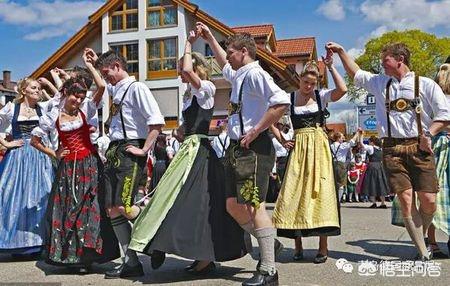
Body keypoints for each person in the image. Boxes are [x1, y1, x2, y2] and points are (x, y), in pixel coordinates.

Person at [129, 31, 247, 274]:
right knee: (180, 201)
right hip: (189, 150)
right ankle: (185, 250)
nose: (180, 73)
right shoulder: (189, 96)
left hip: (200, 153)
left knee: (197, 203)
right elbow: (189, 124)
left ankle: (203, 255)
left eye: (183, 68)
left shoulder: (206, 88)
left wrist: (187, 44)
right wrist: (180, 132)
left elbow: (189, 73)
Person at [328, 41, 450, 260]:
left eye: (386, 60)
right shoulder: (380, 83)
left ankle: (420, 236)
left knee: (429, 201)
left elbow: (444, 114)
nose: (382, 65)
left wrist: (428, 135)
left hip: (419, 147)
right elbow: (356, 73)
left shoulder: (425, 84)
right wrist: (341, 52)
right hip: (392, 148)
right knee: (405, 199)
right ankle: (423, 251)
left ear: (399, 60)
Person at [197, 22, 290, 286]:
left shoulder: (256, 74)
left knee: (253, 204)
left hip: (255, 147)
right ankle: (270, 242)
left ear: (244, 51)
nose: (227, 55)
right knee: (233, 205)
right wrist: (209, 38)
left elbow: (281, 101)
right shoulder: (239, 75)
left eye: (231, 51)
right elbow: (222, 61)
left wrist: (257, 130)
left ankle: (269, 270)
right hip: (238, 148)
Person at [31, 50, 120, 272]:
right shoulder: (54, 115)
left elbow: (100, 87)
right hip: (68, 169)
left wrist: (89, 65)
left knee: (91, 208)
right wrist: (54, 153)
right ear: (66, 93)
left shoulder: (87, 109)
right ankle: (73, 257)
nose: (79, 100)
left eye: (81, 97)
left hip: (89, 165)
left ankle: (89, 257)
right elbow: (35, 140)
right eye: (75, 96)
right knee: (70, 210)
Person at [92, 50, 165, 278]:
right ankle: (131, 262)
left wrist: (144, 150)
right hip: (115, 150)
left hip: (130, 150)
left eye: (107, 73)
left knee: (124, 204)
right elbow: (104, 85)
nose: (106, 78)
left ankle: (157, 237)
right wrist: (92, 63)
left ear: (117, 66)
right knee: (112, 210)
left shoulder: (137, 88)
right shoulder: (117, 88)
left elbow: (156, 121)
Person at [272, 55, 347, 264]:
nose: (308, 86)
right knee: (295, 192)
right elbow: (271, 118)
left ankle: (323, 247)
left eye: (313, 83)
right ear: (300, 79)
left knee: (321, 193)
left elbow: (342, 90)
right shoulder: (289, 98)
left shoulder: (321, 95)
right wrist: (283, 139)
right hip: (298, 148)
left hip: (319, 148)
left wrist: (331, 67)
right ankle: (298, 246)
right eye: (306, 82)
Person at [0, 78, 54, 256]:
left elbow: (61, 98)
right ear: (23, 91)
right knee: (11, 196)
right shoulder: (11, 108)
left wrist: (51, 80)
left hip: (40, 157)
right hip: (18, 157)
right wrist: (6, 144)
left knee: (42, 195)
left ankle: (40, 242)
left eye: (39, 88)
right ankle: (12, 242)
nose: (38, 90)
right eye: (34, 87)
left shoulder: (44, 108)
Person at [427, 60, 450, 258]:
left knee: (435, 195)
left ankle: (432, 243)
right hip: (442, 148)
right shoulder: (440, 100)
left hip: (437, 149)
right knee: (437, 195)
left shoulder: (433, 99)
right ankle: (434, 243)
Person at [359, 135, 390, 208]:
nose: (369, 143)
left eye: (369, 142)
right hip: (380, 166)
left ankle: (374, 203)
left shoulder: (371, 148)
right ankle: (383, 203)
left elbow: (361, 144)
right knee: (381, 184)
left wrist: (361, 135)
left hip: (372, 166)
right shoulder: (381, 149)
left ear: (372, 142)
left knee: (371, 184)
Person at [330, 131, 358, 203]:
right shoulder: (342, 146)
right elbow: (351, 142)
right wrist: (357, 133)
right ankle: (338, 201)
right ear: (338, 138)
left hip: (333, 164)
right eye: (342, 137)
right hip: (340, 165)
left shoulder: (331, 145)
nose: (343, 138)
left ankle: (333, 200)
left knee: (334, 183)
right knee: (341, 184)